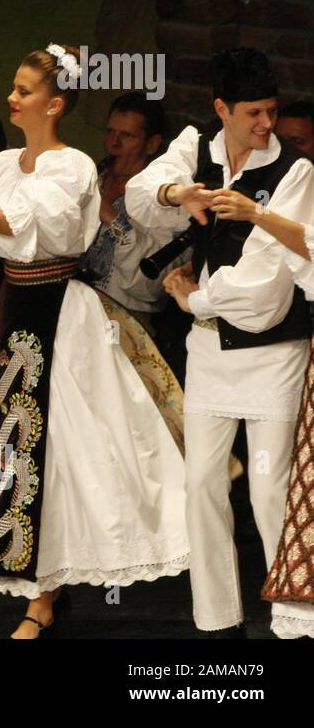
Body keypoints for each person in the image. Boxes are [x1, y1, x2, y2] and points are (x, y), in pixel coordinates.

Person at [0, 44, 190, 638]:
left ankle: (47, 593)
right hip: (13, 309)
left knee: (65, 449)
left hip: (61, 309)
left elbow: (24, 225)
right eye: (13, 87)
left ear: (54, 104)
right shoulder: (6, 163)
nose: (12, 98)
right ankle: (36, 583)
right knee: (17, 445)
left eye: (25, 90)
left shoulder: (72, 167)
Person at [125, 47, 314, 637]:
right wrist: (175, 195)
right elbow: (138, 193)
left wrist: (189, 299)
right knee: (201, 483)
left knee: (267, 486)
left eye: (271, 111)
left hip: (272, 352)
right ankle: (218, 620)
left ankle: (293, 619)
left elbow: (261, 288)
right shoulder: (195, 148)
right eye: (253, 113)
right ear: (222, 110)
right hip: (209, 353)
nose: (265, 124)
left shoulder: (295, 173)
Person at [200, 188, 314, 638]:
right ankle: (274, 618)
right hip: (233, 356)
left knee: (272, 487)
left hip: (277, 358)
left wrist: (255, 211)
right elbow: (304, 246)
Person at [80, 93, 172, 328]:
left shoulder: (164, 200)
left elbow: (154, 285)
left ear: (152, 144)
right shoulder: (94, 180)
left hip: (127, 325)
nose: (114, 143)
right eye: (110, 132)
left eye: (127, 136)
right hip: (76, 311)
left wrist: (109, 215)